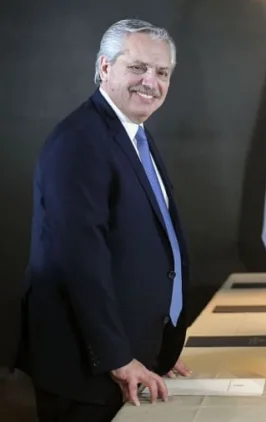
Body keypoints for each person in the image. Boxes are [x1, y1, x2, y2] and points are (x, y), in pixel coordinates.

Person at [14, 18, 191, 422]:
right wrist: (118, 358)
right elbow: (80, 260)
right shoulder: (79, 141)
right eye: (138, 67)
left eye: (162, 72)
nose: (151, 82)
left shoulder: (133, 133)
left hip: (131, 359)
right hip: (87, 371)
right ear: (105, 67)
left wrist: (156, 348)